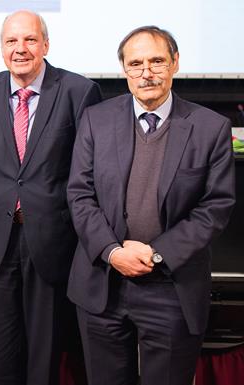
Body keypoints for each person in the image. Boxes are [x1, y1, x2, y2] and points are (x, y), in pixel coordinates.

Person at [67, 26, 235, 385]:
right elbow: (80, 194)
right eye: (136, 63)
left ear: (175, 63)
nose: (147, 72)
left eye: (157, 61)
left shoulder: (210, 127)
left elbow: (215, 207)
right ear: (125, 70)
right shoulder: (96, 120)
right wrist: (113, 252)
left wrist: (156, 255)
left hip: (171, 288)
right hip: (103, 286)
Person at [0, 10, 102, 385]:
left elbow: (88, 176)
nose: (20, 49)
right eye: (11, 41)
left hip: (53, 244)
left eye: (29, 40)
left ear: (46, 45)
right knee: (1, 356)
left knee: (45, 357)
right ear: (1, 48)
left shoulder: (79, 91)